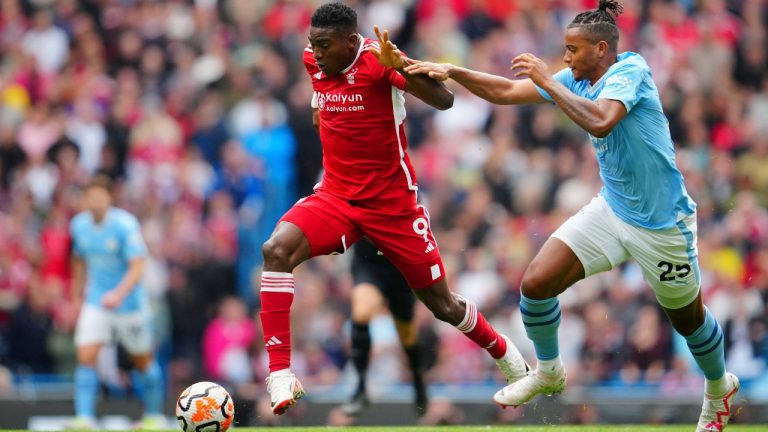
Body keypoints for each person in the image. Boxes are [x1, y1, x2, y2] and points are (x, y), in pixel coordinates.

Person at [404, 1, 739, 430]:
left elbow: (601, 121)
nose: (565, 58)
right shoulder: (577, 78)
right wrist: (453, 70)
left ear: (601, 48)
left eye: (572, 50)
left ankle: (718, 388)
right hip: (612, 209)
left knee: (687, 321)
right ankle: (548, 371)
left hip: (661, 226)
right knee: (536, 284)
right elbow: (507, 91)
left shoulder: (630, 72)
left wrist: (546, 79)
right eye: (564, 50)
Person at [259, 2, 528, 416]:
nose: (316, 52)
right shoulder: (315, 58)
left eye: (325, 45)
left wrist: (401, 67)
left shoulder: (379, 60)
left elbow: (445, 100)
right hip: (337, 197)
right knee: (276, 250)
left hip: (392, 206)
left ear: (352, 42)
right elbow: (321, 105)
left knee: (442, 305)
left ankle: (504, 353)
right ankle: (280, 373)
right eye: (313, 43)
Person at [69, 175, 163, 429]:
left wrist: (119, 294)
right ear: (85, 200)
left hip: (129, 305)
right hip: (96, 301)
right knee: (86, 354)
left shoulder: (125, 225)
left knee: (142, 360)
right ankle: (84, 417)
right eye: (90, 196)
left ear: (110, 198)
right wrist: (75, 296)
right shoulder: (79, 225)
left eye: (100, 196)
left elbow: (137, 265)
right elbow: (79, 262)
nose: (95, 201)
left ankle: (153, 415)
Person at [340, 238, 428, 418]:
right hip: (368, 262)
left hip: (400, 265)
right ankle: (361, 387)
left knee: (407, 334)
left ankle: (418, 381)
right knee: (362, 312)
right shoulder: (356, 207)